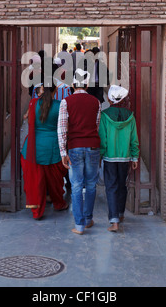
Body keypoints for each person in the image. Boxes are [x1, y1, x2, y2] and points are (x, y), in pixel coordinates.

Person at [58, 68, 101, 235]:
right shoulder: (95, 102)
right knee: (91, 184)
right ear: (87, 84)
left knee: (76, 185)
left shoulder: (66, 102)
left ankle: (79, 225)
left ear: (72, 84)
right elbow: (96, 126)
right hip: (93, 146)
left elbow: (62, 129)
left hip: (75, 147)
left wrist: (63, 152)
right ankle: (88, 219)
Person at [21, 81, 69, 220]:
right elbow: (64, 126)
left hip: (33, 148)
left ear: (41, 89)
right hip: (52, 148)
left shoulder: (33, 103)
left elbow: (28, 119)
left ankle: (37, 211)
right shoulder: (59, 106)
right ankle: (58, 203)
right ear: (54, 92)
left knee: (36, 181)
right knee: (55, 180)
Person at [98, 85, 139, 233]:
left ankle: (114, 221)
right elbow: (134, 139)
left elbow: (103, 139)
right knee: (122, 185)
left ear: (109, 99)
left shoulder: (104, 115)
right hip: (125, 157)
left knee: (111, 187)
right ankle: (121, 214)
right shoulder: (130, 116)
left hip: (110, 157)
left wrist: (100, 156)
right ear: (123, 99)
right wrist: (134, 157)